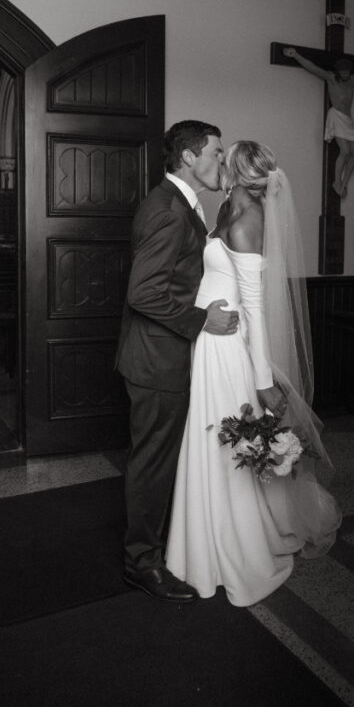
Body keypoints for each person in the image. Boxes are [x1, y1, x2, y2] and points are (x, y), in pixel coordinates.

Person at [165, 141, 342, 607]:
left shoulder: (246, 222)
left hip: (227, 353)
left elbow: (257, 309)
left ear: (241, 173)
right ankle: (200, 543)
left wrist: (263, 380)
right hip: (207, 344)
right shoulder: (225, 207)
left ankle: (235, 548)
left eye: (225, 159)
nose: (217, 163)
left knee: (224, 448)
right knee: (208, 445)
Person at [116, 120, 240, 603]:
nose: (222, 160)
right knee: (151, 464)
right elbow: (143, 292)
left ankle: (156, 549)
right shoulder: (169, 209)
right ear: (189, 157)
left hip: (161, 357)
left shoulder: (180, 205)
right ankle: (140, 563)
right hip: (156, 362)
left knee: (158, 461)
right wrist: (201, 321)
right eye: (216, 151)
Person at [283, 46, 354, 197]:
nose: (345, 74)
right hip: (336, 115)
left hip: (348, 119)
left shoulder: (352, 80)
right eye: (343, 71)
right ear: (338, 71)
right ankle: (337, 182)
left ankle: (345, 182)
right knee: (345, 151)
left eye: (347, 71)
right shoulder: (331, 78)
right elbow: (312, 67)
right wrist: (296, 55)